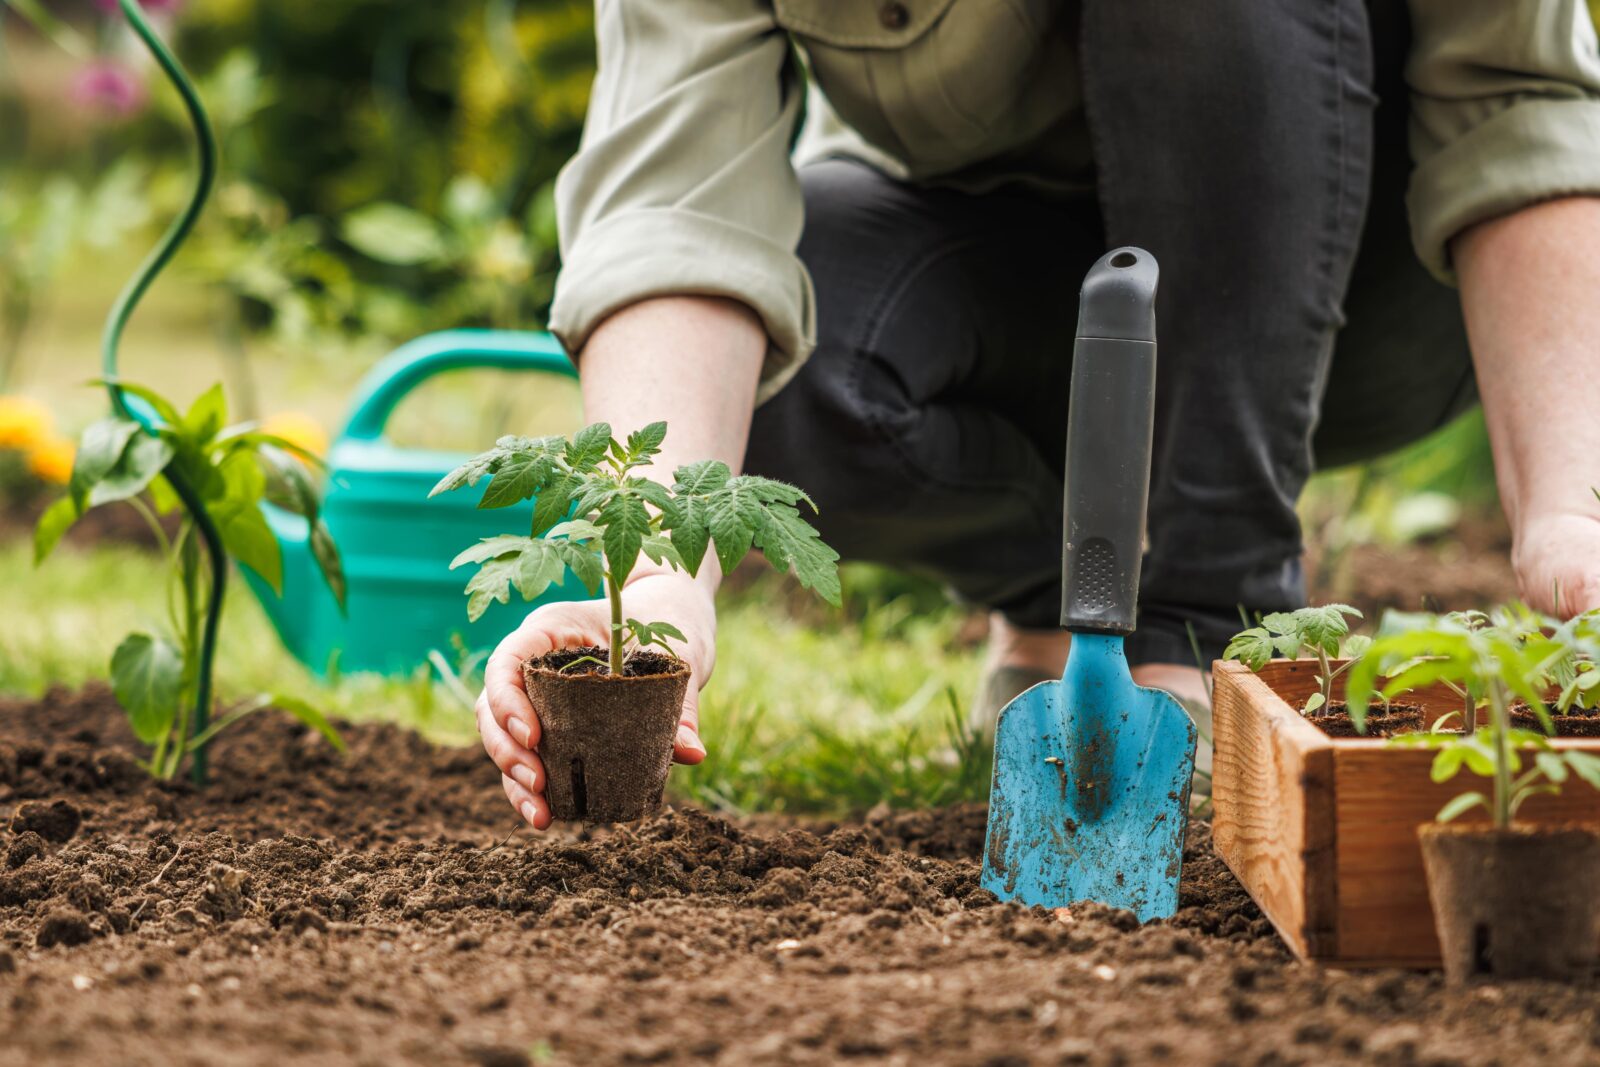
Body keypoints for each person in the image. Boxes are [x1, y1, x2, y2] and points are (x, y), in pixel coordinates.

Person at [476, 0, 1600, 830]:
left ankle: (1204, 624)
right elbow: (679, 203)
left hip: (1355, 289)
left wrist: (1571, 509)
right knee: (804, 364)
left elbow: (1518, 100)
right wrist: (666, 577)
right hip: (1005, 276)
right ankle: (1071, 608)